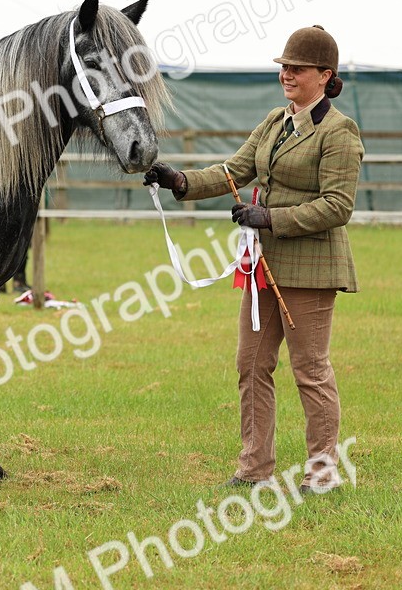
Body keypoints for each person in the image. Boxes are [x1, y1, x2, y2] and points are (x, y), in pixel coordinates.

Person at [145, 25, 364, 493]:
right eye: (284, 67)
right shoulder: (274, 120)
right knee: (251, 364)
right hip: (263, 267)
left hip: (311, 268)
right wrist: (180, 180)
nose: (287, 74)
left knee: (310, 370)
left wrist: (270, 217)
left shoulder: (339, 131)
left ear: (325, 75)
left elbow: (337, 206)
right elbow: (233, 170)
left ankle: (322, 473)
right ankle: (254, 467)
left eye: (297, 68)